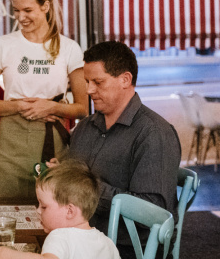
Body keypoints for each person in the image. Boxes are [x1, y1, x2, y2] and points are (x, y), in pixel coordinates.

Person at [58, 41, 181, 258]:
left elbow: (153, 212)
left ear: (125, 79)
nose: (88, 90)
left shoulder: (154, 133)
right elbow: (71, 176)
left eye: (98, 82)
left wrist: (84, 189)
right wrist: (60, 173)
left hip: (129, 249)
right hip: (81, 238)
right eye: (87, 82)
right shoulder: (85, 127)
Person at [0, 0, 87, 201]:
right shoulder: (2, 45)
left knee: (51, 208)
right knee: (5, 209)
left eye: (27, 10)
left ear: (45, 6)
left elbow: (82, 108)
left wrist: (51, 107)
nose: (21, 17)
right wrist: (19, 106)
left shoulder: (69, 48)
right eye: (16, 11)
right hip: (11, 143)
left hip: (52, 143)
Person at [0, 161, 120, 259]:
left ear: (70, 211)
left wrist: (1, 254)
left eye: (44, 206)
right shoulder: (107, 243)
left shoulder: (60, 236)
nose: (38, 211)